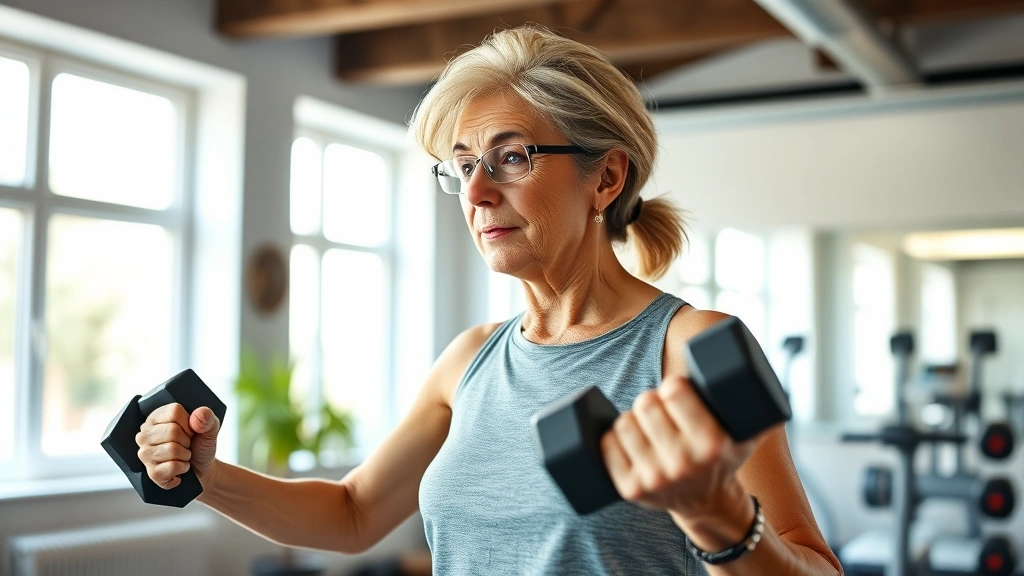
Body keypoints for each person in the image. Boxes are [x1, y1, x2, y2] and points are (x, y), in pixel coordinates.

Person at [137, 24, 843, 576]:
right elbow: (351, 513)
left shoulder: (688, 348)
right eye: (464, 166)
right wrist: (206, 477)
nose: (476, 193)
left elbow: (811, 565)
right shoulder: (470, 359)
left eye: (511, 157)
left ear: (605, 178)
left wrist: (719, 519)